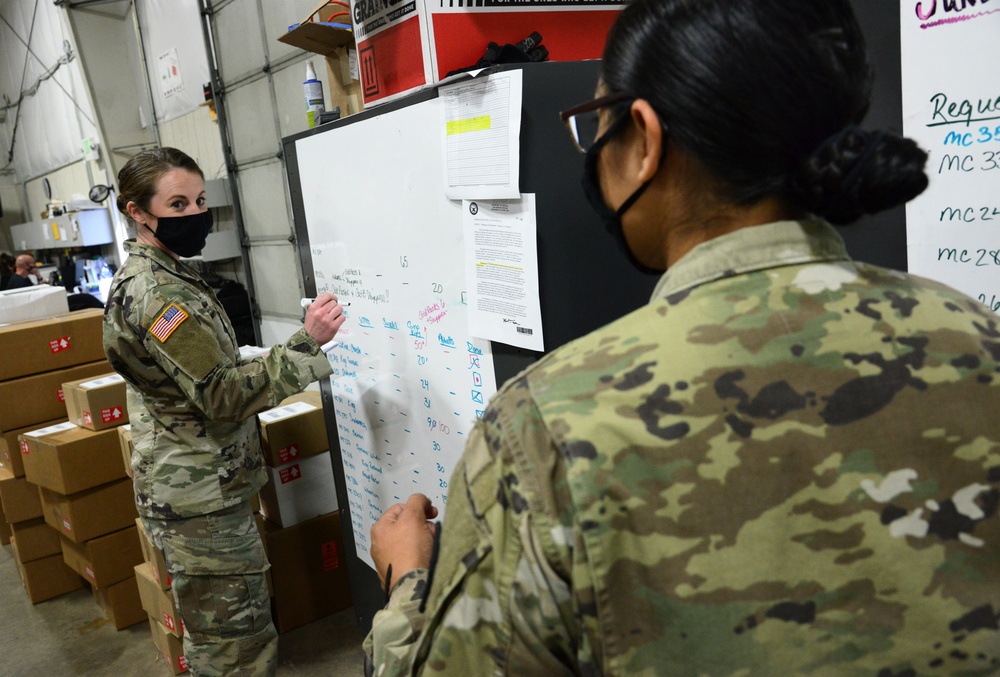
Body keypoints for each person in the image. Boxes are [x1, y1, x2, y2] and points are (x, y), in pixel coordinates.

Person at [364, 1, 1000, 674]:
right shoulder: (978, 339)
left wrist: (409, 585)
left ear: (643, 138)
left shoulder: (542, 430)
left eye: (597, 127)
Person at [102, 147, 346, 676]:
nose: (195, 214)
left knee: (222, 630)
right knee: (235, 646)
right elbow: (220, 395)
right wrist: (307, 345)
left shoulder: (168, 274)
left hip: (198, 483)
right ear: (137, 212)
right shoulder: (160, 295)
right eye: (178, 203)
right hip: (199, 498)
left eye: (200, 201)